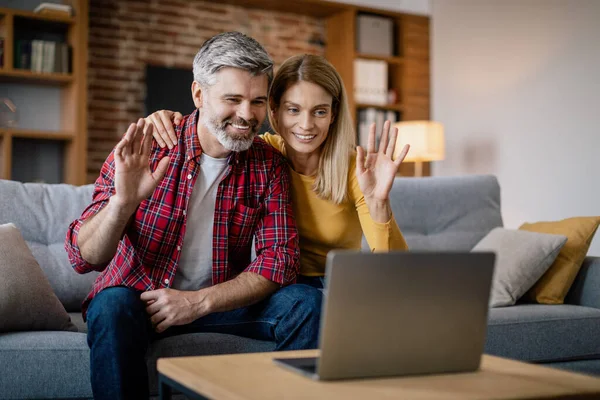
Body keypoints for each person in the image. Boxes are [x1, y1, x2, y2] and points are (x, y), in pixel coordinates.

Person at [65, 33, 322, 400]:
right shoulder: (148, 148)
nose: (247, 115)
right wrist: (122, 203)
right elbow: (83, 257)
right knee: (110, 306)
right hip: (141, 301)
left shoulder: (267, 165)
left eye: (258, 101)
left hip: (217, 305)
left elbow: (279, 259)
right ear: (198, 95)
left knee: (306, 302)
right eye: (232, 99)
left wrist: (198, 302)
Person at [147, 54, 410, 290]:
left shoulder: (357, 169)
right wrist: (163, 119)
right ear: (274, 110)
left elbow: (398, 272)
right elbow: (215, 131)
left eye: (319, 111)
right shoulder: (263, 153)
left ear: (333, 114)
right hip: (281, 285)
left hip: (337, 286)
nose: (306, 125)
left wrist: (378, 203)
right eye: (293, 109)